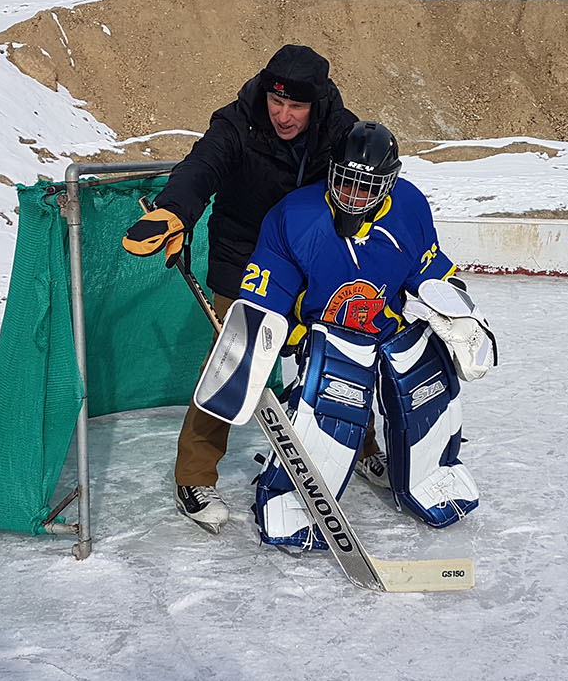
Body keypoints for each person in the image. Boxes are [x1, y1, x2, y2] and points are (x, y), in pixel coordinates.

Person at [190, 121, 497, 550]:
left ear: (391, 181)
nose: (353, 195)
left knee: (424, 380)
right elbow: (265, 296)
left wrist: (459, 311)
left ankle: (430, 474)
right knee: (335, 398)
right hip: (326, 334)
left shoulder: (409, 205)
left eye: (367, 185)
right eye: (346, 182)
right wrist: (263, 344)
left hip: (388, 327)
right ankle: (292, 497)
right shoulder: (294, 216)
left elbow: (427, 270)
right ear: (331, 172)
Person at [122, 44, 358, 533]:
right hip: (244, 260)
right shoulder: (237, 122)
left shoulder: (340, 130)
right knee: (234, 363)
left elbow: (366, 179)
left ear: (316, 104)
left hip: (312, 261)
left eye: (296, 107)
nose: (284, 116)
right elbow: (200, 167)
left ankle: (367, 446)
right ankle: (193, 477)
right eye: (277, 103)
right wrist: (173, 210)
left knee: (342, 352)